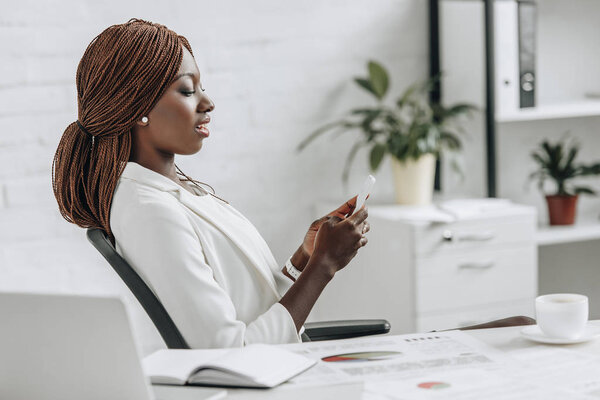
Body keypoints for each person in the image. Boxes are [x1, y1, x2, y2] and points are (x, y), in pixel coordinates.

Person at [52, 19, 533, 349]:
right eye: (187, 89)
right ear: (136, 107)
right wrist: (324, 266)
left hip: (293, 366)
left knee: (515, 329)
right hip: (287, 379)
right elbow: (228, 351)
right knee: (513, 335)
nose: (208, 102)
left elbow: (247, 307)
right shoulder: (149, 211)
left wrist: (302, 258)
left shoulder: (171, 190)